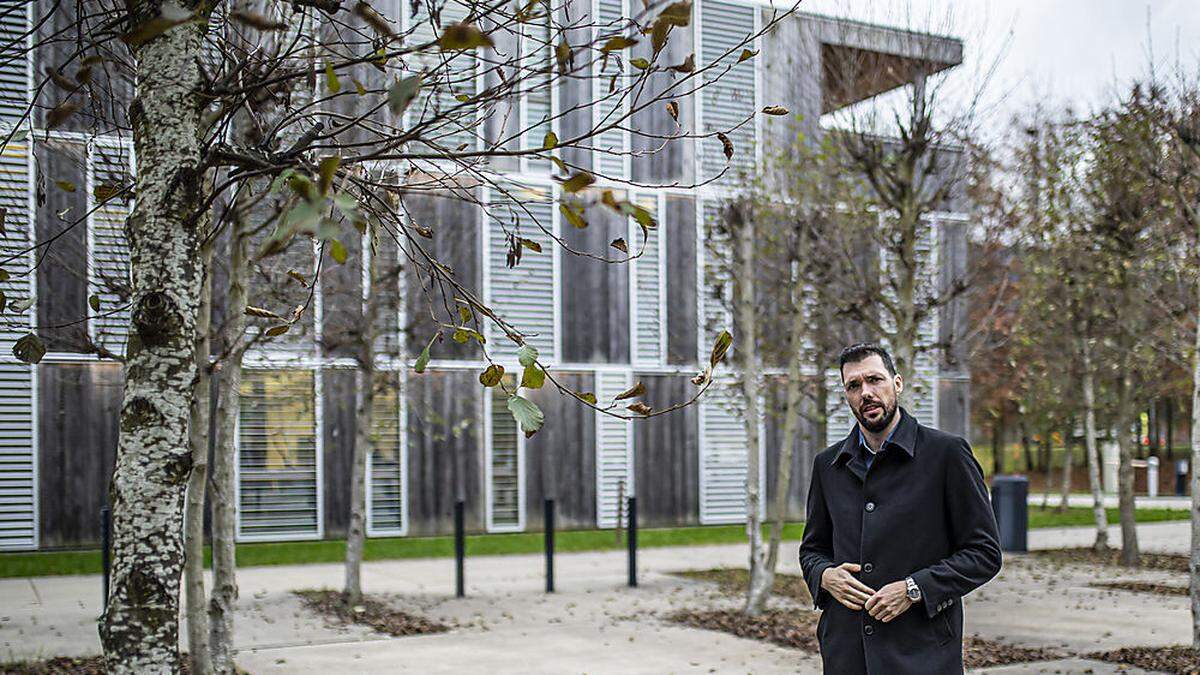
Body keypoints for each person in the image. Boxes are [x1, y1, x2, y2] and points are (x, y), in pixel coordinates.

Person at [798, 343, 1002, 674]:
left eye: (874, 380)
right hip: (847, 655)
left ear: (897, 383)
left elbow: (984, 553)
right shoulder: (828, 465)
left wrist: (914, 589)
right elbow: (813, 549)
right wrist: (824, 576)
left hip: (921, 654)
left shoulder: (947, 454)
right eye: (853, 385)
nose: (866, 392)